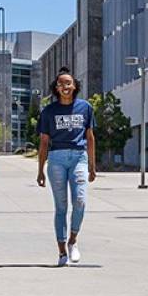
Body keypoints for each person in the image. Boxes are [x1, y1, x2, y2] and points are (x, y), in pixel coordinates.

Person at [36, 67, 97, 266]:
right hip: (56, 159)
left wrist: (92, 165)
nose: (65, 86)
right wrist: (40, 170)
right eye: (61, 83)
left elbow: (90, 137)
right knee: (61, 206)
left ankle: (73, 240)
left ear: (75, 86)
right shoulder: (49, 111)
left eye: (68, 83)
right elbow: (44, 141)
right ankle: (62, 250)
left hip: (79, 157)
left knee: (80, 201)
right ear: (56, 87)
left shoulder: (85, 108)